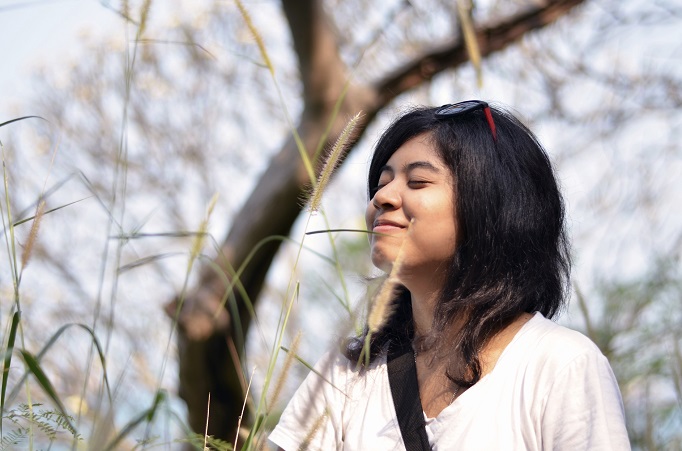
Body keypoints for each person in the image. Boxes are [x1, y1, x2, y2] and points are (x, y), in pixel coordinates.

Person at [269, 101, 630, 450]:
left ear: (490, 206)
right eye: (381, 182)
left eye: (418, 181)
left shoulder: (560, 365)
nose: (382, 198)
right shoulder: (349, 371)